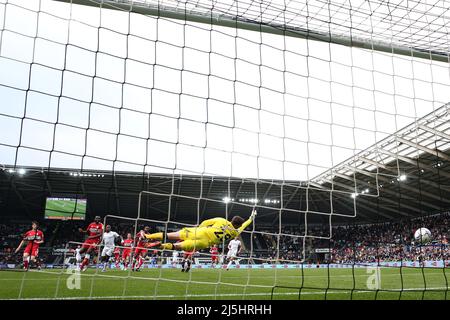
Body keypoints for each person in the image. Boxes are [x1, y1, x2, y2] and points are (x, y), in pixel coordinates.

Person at [144, 210, 257, 251]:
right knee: (177, 247)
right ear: (238, 225)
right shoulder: (236, 232)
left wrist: (199, 228)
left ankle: (147, 237)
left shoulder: (221, 220)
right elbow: (246, 224)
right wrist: (251, 217)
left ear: (232, 220)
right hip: (204, 242)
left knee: (169, 235)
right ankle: (160, 246)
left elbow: (205, 222)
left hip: (199, 232)